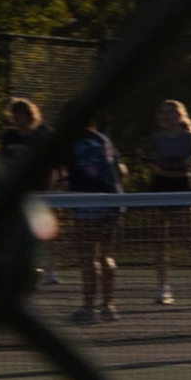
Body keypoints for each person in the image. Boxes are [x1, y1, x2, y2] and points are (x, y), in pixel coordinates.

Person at [138, 100, 191, 304]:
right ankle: (163, 288)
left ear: (180, 116)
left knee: (187, 238)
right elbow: (153, 164)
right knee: (159, 242)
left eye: (171, 112)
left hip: (183, 188)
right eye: (163, 112)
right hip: (160, 188)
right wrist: (155, 166)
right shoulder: (156, 139)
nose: (167, 116)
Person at [61, 116, 124, 324]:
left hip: (88, 204)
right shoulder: (105, 140)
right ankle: (108, 306)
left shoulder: (71, 143)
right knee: (105, 255)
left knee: (88, 257)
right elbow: (122, 171)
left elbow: (64, 174)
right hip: (113, 202)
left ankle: (89, 308)